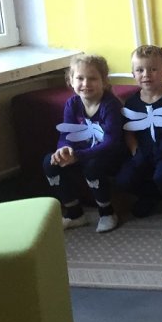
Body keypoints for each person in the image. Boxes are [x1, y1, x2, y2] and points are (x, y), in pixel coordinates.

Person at [44, 54, 125, 233]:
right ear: (71, 81)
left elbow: (111, 142)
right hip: (81, 154)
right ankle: (74, 213)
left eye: (92, 78)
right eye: (80, 78)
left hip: (109, 156)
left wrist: (78, 156)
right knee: (50, 162)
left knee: (92, 165)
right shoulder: (72, 103)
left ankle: (107, 212)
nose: (86, 84)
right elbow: (66, 134)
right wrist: (63, 150)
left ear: (104, 81)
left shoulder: (109, 105)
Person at [115, 45, 162, 217]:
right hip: (143, 151)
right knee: (123, 180)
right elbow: (128, 131)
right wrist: (135, 150)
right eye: (140, 70)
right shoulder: (132, 103)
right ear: (133, 74)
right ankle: (150, 195)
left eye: (153, 69)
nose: (146, 74)